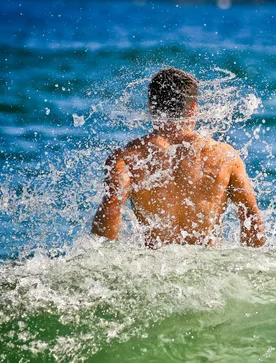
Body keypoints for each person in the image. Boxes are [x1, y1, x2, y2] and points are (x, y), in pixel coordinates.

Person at [92, 68, 265, 248]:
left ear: (151, 106)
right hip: (207, 262)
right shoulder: (225, 156)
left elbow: (111, 208)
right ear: (192, 108)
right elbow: (252, 219)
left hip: (156, 265)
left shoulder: (127, 157)